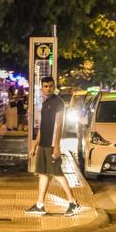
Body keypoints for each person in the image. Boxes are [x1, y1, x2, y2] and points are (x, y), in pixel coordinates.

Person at [26, 76, 79, 216]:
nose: (48, 88)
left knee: (57, 173)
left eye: (50, 86)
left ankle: (73, 203)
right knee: (43, 174)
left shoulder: (58, 103)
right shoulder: (45, 104)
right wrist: (34, 146)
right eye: (45, 86)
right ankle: (40, 205)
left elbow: (59, 125)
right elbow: (43, 128)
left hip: (51, 145)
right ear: (41, 88)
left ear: (54, 86)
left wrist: (56, 146)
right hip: (43, 145)